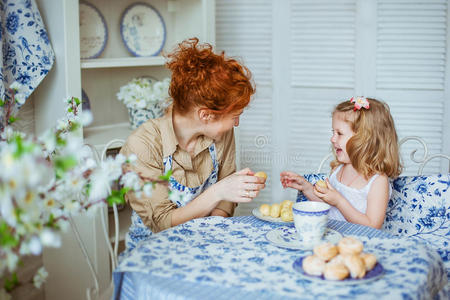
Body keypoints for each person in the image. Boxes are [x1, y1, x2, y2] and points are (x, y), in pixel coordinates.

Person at [120, 38, 265, 252]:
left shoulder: (221, 135)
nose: (237, 123)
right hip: (153, 254)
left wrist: (213, 230)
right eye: (234, 116)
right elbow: (163, 222)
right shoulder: (143, 145)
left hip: (203, 245)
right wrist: (219, 192)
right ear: (205, 115)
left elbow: (225, 199)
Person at [280, 97, 401, 229]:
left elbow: (372, 225)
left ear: (364, 141)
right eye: (333, 132)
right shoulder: (339, 169)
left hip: (357, 244)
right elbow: (328, 205)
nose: (332, 139)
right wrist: (306, 187)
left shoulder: (377, 181)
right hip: (330, 239)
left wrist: (339, 201)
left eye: (339, 133)